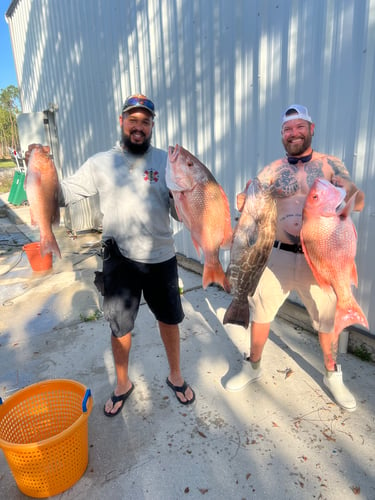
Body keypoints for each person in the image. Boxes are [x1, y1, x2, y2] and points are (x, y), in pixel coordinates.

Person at [52, 94, 195, 416]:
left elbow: (179, 213)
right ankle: (122, 384)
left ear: (152, 126)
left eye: (145, 121)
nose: (139, 126)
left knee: (170, 320)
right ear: (122, 122)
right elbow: (65, 193)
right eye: (133, 119)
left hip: (161, 257)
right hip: (119, 259)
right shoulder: (101, 162)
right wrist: (42, 176)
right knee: (120, 326)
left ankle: (175, 374)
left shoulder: (166, 161)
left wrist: (186, 201)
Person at [222, 104, 365, 412]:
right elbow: (252, 204)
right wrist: (244, 200)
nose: (294, 133)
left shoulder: (331, 165)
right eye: (288, 129)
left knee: (328, 319)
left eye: (300, 127)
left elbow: (360, 202)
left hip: (321, 257)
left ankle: (332, 374)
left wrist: (351, 191)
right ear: (282, 135)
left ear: (311, 129)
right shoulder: (271, 170)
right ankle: (253, 365)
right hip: (278, 257)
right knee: (259, 312)